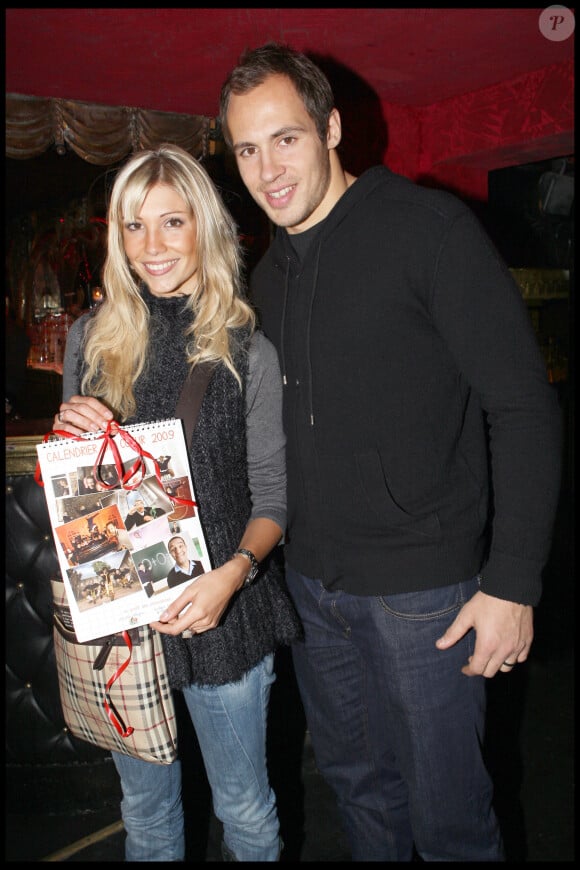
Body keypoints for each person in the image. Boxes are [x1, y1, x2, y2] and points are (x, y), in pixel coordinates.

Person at [219, 43, 563, 862]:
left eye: (286, 138)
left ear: (332, 128)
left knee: (450, 822)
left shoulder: (428, 229)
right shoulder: (270, 275)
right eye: (246, 149)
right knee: (359, 800)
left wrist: (513, 581)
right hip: (313, 590)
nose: (267, 168)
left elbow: (523, 406)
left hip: (424, 596)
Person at [53, 142, 302, 862]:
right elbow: (75, 494)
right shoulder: (89, 338)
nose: (152, 246)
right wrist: (68, 433)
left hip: (222, 615)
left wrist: (234, 575)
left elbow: (274, 500)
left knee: (246, 813)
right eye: (134, 226)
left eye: (171, 221)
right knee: (147, 814)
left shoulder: (247, 349)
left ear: (206, 227)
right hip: (124, 624)